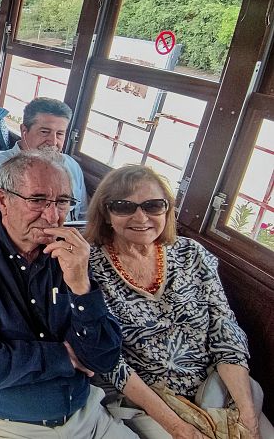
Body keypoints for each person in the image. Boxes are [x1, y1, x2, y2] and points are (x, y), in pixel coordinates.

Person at [0, 150, 133, 438]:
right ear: (3, 200)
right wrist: (64, 356)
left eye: (63, 202)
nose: (53, 216)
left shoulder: (70, 257)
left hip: (83, 414)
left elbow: (103, 358)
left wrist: (81, 286)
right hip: (2, 421)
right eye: (38, 200)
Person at [85, 165, 273, 439]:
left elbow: (225, 329)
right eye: (124, 206)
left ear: (167, 210)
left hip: (217, 385)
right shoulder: (89, 267)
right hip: (147, 400)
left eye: (153, 206)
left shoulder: (191, 254)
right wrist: (179, 428)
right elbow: (110, 360)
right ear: (105, 213)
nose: (141, 216)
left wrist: (247, 415)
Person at [0, 97, 87, 220]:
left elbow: (83, 218)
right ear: (24, 131)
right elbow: (2, 220)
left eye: (59, 134)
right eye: (44, 132)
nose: (53, 141)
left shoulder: (72, 166)